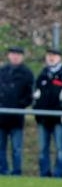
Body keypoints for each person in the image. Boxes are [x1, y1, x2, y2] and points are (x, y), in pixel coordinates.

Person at [33, 48, 62, 178]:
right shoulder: (42, 73)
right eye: (49, 55)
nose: (51, 58)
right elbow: (35, 91)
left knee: (60, 148)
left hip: (59, 118)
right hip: (42, 117)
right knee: (42, 149)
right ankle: (44, 174)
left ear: (60, 58)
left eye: (54, 55)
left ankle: (58, 175)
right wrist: (36, 105)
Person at [0, 47, 34, 175]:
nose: (15, 57)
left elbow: (30, 95)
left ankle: (16, 171)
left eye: (18, 55)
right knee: (1, 147)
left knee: (16, 147)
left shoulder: (27, 73)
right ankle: (2, 170)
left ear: (22, 57)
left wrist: (21, 105)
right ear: (8, 55)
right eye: (13, 54)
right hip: (1, 117)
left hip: (17, 117)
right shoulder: (2, 71)